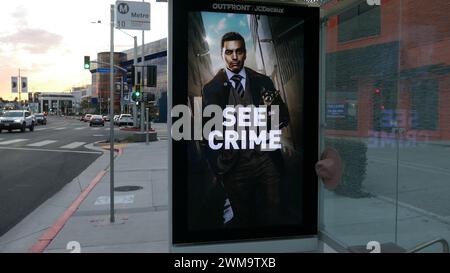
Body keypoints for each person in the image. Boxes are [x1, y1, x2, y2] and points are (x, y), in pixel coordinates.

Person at [201, 32, 341, 228]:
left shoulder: (262, 81)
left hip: (265, 160)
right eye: (229, 52)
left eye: (239, 51)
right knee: (242, 216)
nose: (234, 57)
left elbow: (283, 117)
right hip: (234, 164)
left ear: (244, 52)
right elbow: (208, 134)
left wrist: (270, 114)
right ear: (222, 54)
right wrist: (218, 167)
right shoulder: (212, 88)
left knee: (273, 212)